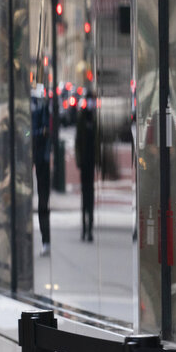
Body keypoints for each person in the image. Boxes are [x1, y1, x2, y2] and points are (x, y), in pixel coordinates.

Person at [31, 86, 52, 255]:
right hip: (38, 158)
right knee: (41, 201)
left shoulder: (41, 108)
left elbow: (44, 132)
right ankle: (45, 240)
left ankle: (46, 240)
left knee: (42, 202)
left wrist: (29, 133)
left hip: (40, 159)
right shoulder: (39, 107)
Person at [76, 88, 97, 242]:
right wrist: (79, 160)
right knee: (86, 195)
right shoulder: (82, 118)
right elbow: (78, 141)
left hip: (91, 162)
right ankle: (84, 227)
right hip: (84, 162)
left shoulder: (94, 118)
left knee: (90, 195)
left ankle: (90, 227)